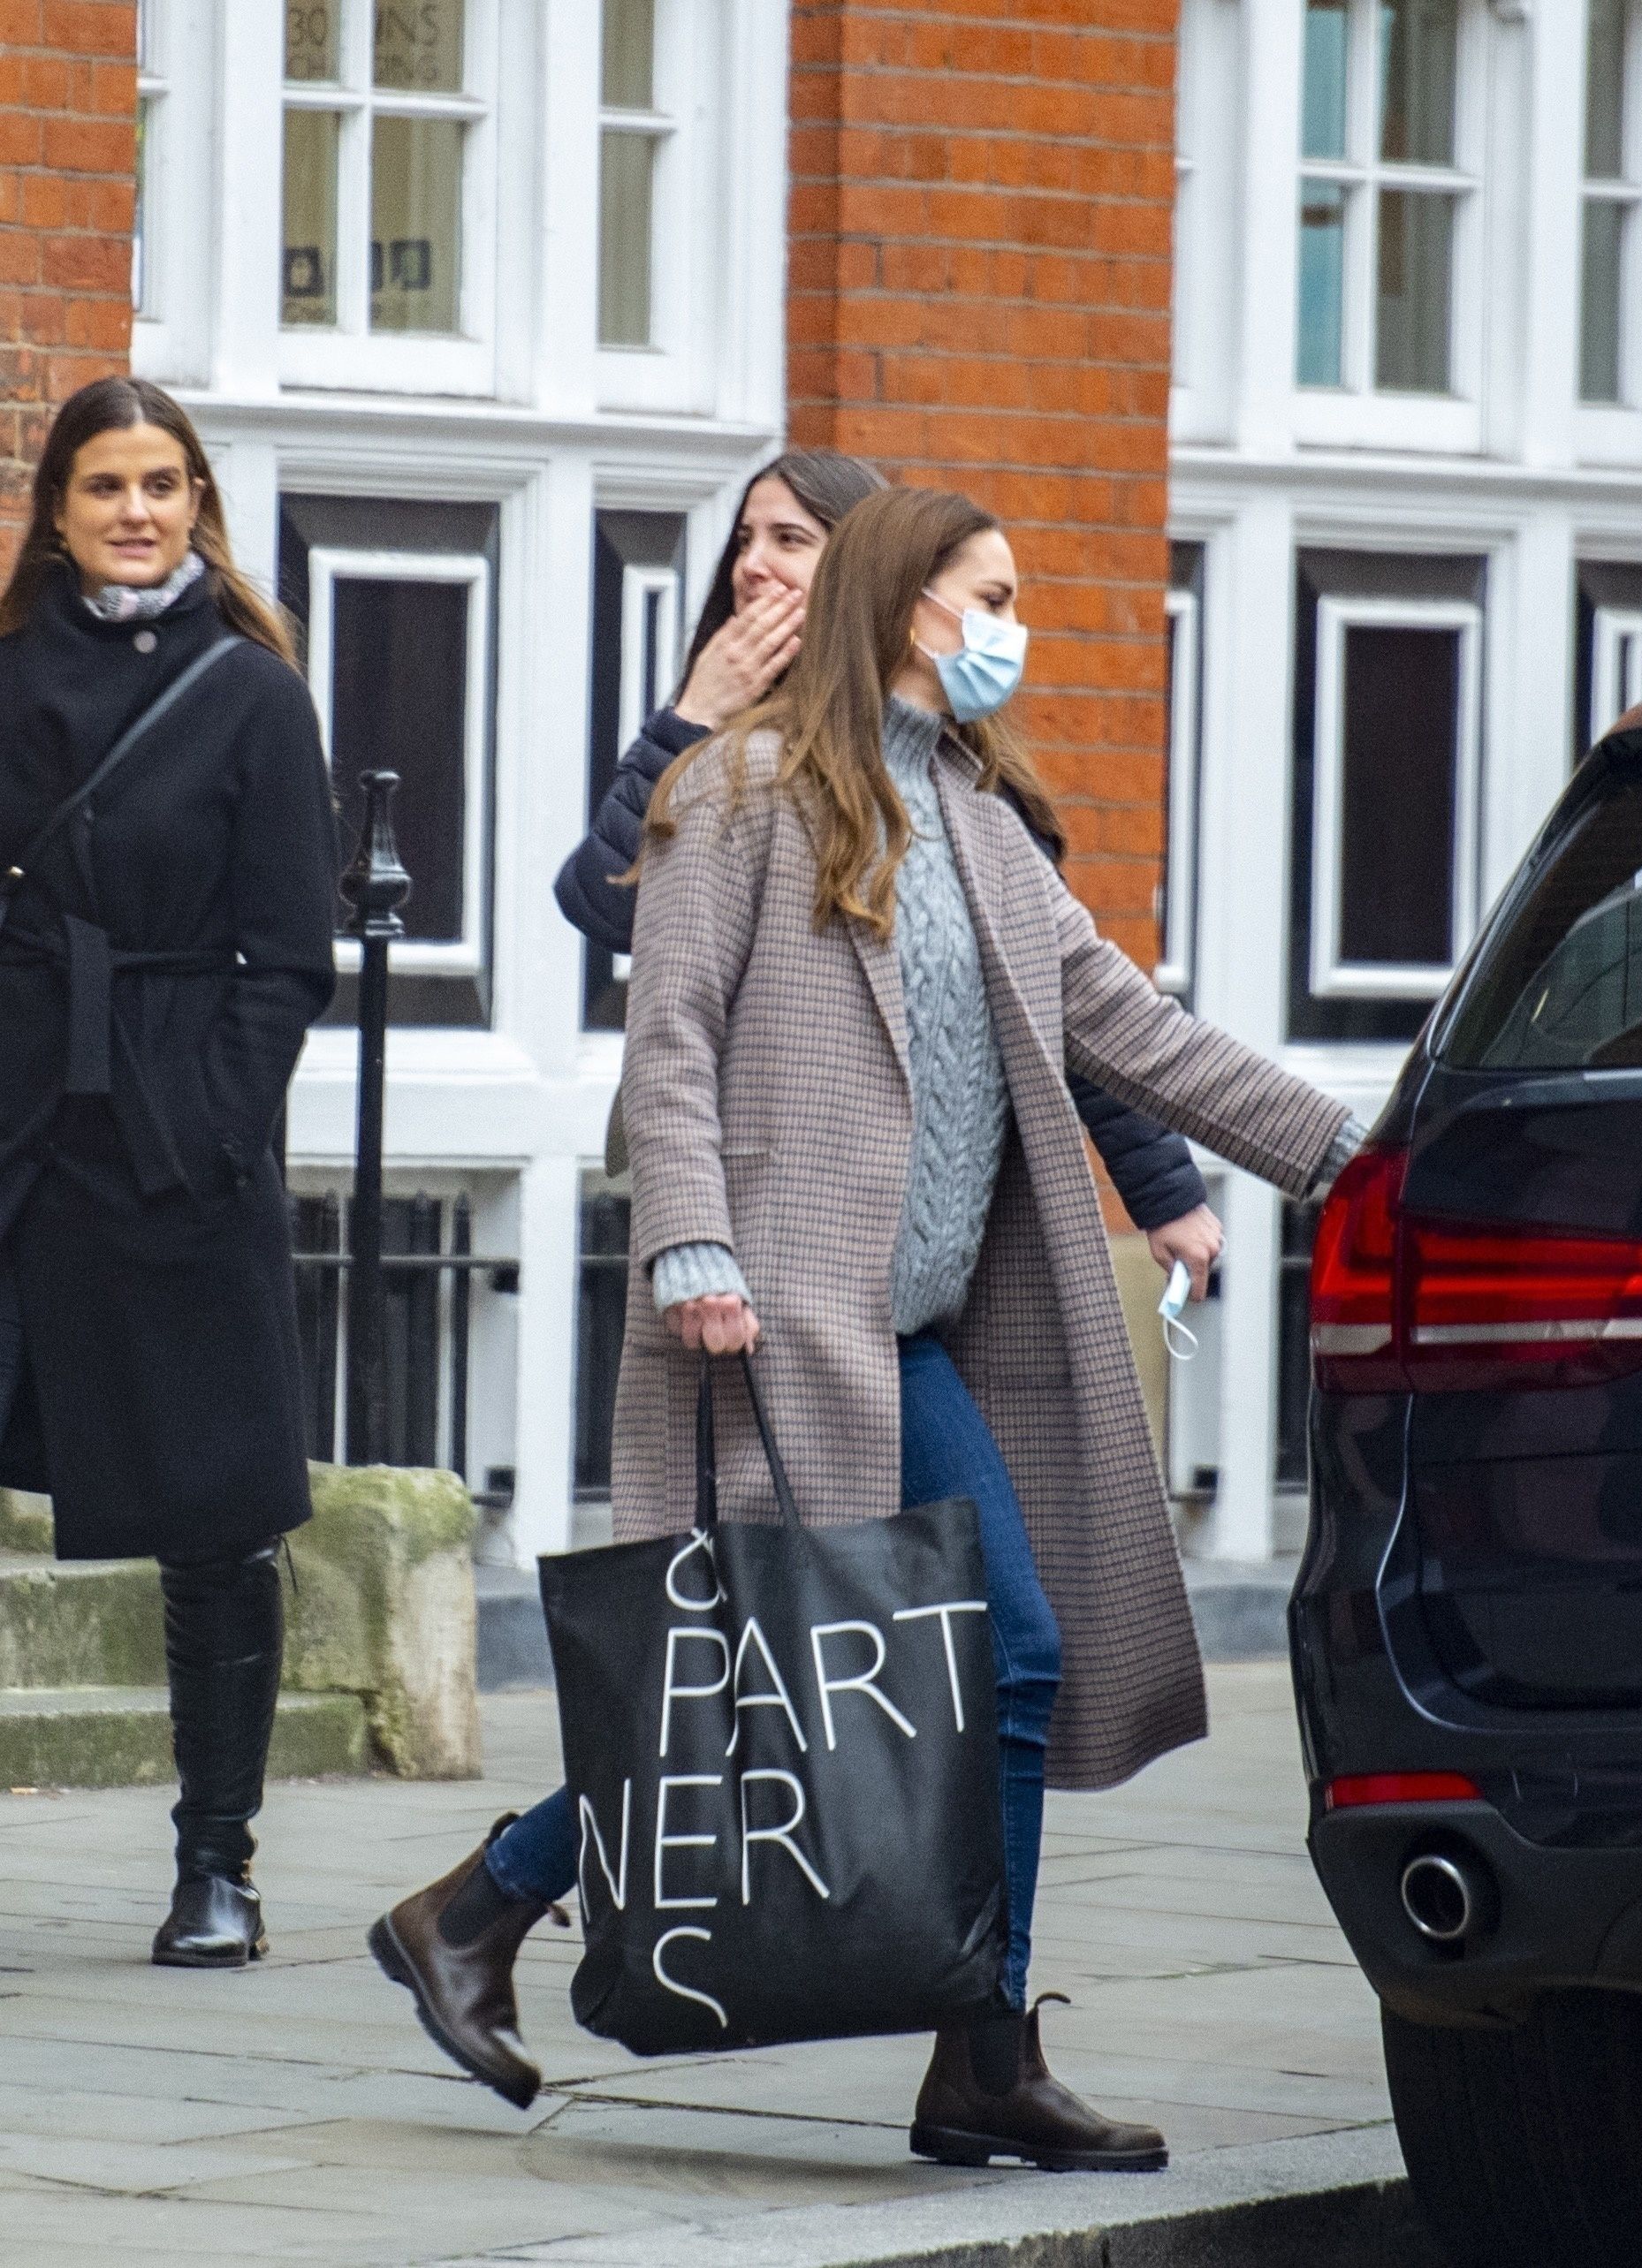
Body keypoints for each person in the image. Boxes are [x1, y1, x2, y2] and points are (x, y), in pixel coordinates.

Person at [371, 485, 1363, 2167]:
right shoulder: (741, 788)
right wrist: (688, 1235)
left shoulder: (977, 819)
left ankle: (508, 1910)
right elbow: (667, 1036)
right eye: (994, 591)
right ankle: (937, 2037)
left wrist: (1358, 1156)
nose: (1013, 623)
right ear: (914, 609)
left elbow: (1136, 1030)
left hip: (915, 1329)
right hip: (765, 1318)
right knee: (778, 1670)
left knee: (899, 1665)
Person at [555, 448, 1225, 1279]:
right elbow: (606, 905)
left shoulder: (955, 770)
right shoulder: (727, 755)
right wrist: (689, 721)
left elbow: (1063, 997)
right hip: (765, 1221)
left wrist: (1162, 1188)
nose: (752, 566)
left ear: (868, 569)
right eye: (743, 540)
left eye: (789, 540)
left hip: (929, 1231)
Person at [0, 378, 338, 1967]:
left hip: (175, 1143)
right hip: (16, 1133)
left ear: (197, 497)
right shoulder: (3, 674)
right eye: (103, 485)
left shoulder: (255, 694)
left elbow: (292, 952)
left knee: (216, 1514)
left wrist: (209, 1121)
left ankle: (219, 1865)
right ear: (55, 508)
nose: (135, 510)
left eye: (161, 482)